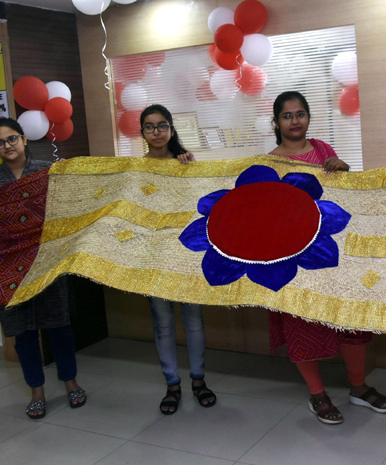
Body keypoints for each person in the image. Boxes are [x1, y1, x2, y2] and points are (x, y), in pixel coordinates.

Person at [267, 91, 386, 424]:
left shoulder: (323, 150)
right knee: (302, 324)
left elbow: (339, 197)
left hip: (332, 251)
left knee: (348, 318)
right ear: (276, 122)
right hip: (294, 258)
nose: (295, 121)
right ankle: (318, 395)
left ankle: (359, 387)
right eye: (287, 115)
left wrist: (343, 171)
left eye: (300, 114)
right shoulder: (269, 162)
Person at [0, 118, 86, 419]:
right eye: (0, 142)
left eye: (12, 139)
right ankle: (36, 391)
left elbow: (71, 204)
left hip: (46, 263)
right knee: (23, 333)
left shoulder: (48, 171)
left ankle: (71, 382)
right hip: (7, 270)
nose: (7, 146)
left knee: (60, 327)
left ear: (24, 139)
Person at [139, 104, 215, 414]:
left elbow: (203, 202)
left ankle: (198, 381)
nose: (156, 132)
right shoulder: (135, 169)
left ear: (171, 129)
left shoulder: (186, 162)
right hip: (153, 256)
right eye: (149, 126)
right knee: (163, 324)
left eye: (162, 125)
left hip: (186, 253)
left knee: (193, 321)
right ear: (142, 132)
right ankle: (172, 384)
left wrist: (191, 170)